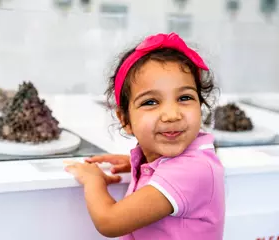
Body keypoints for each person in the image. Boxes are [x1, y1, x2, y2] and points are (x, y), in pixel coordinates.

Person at [65, 32, 225, 240]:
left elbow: (109, 222)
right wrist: (138, 163)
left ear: (201, 106)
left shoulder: (193, 171)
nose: (171, 115)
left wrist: (93, 179)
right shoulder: (173, 161)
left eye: (184, 97)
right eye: (151, 102)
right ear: (125, 120)